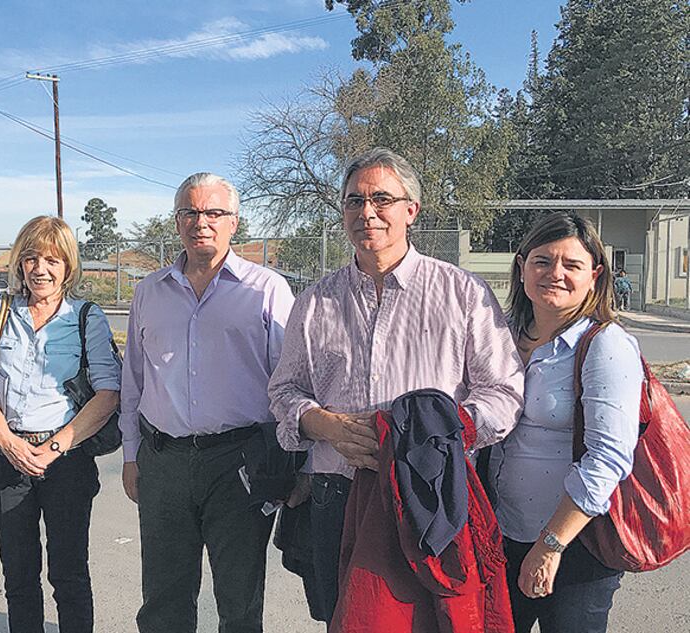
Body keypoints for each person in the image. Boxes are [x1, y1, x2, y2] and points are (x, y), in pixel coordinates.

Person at [267, 148, 525, 628]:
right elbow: (284, 390)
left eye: (381, 199)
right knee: (345, 621)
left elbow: (504, 392)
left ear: (411, 210)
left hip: (430, 497)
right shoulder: (315, 302)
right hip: (337, 493)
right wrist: (321, 423)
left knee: (435, 622)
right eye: (354, 201)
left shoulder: (462, 294)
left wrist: (440, 436)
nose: (367, 212)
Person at [119, 172, 295, 633]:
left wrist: (296, 465)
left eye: (214, 212)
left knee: (239, 601)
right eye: (190, 212)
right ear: (176, 222)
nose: (202, 222)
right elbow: (133, 381)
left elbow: (291, 381)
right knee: (163, 599)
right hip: (163, 462)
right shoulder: (149, 292)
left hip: (239, 463)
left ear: (235, 222)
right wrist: (132, 455)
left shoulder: (268, 290)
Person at [489, 213, 642, 633]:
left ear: (594, 276)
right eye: (542, 261)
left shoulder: (606, 345)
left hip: (575, 547)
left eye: (571, 265)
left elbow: (608, 458)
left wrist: (551, 544)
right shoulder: (498, 336)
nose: (555, 274)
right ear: (521, 268)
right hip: (499, 537)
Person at [0, 215, 120, 633]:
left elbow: (109, 393)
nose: (40, 269)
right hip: (10, 460)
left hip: (66, 462)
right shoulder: (0, 312)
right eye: (31, 258)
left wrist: (55, 447)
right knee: (18, 578)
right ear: (19, 264)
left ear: (67, 266)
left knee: (69, 576)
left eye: (52, 260)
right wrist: (7, 442)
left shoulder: (87, 317)